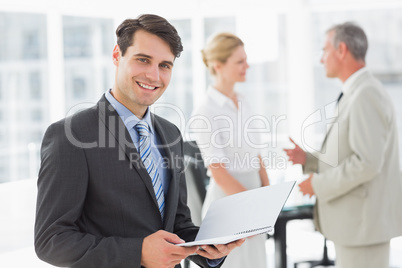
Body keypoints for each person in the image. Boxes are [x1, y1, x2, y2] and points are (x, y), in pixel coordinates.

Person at [34, 14, 244, 268]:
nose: (154, 75)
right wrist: (138, 252)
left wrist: (210, 245)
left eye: (165, 65)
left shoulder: (171, 135)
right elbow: (51, 241)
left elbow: (178, 224)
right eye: (143, 60)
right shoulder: (71, 136)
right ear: (116, 55)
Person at [284, 22, 402, 268]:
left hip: (363, 228)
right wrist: (309, 160)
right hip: (358, 228)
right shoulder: (358, 92)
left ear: (342, 50)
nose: (321, 59)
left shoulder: (365, 94)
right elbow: (353, 153)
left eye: (324, 50)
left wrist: (317, 183)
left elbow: (367, 164)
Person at [189, 32, 269, 268]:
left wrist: (267, 200)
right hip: (229, 206)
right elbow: (219, 172)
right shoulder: (205, 111)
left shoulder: (244, 101)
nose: (247, 66)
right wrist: (253, 207)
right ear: (218, 66)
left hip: (252, 202)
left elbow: (257, 156)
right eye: (240, 61)